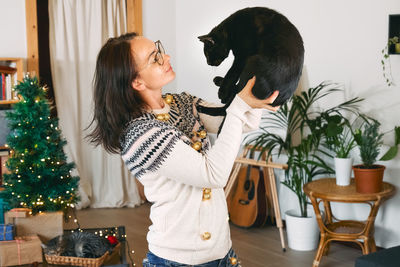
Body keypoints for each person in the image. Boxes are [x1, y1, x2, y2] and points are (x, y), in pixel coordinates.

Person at [87, 32, 279, 267]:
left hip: (222, 253)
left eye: (159, 50)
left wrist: (258, 79)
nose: (166, 57)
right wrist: (240, 105)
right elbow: (213, 174)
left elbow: (241, 121)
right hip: (178, 260)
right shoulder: (140, 134)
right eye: (154, 58)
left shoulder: (181, 103)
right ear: (137, 82)